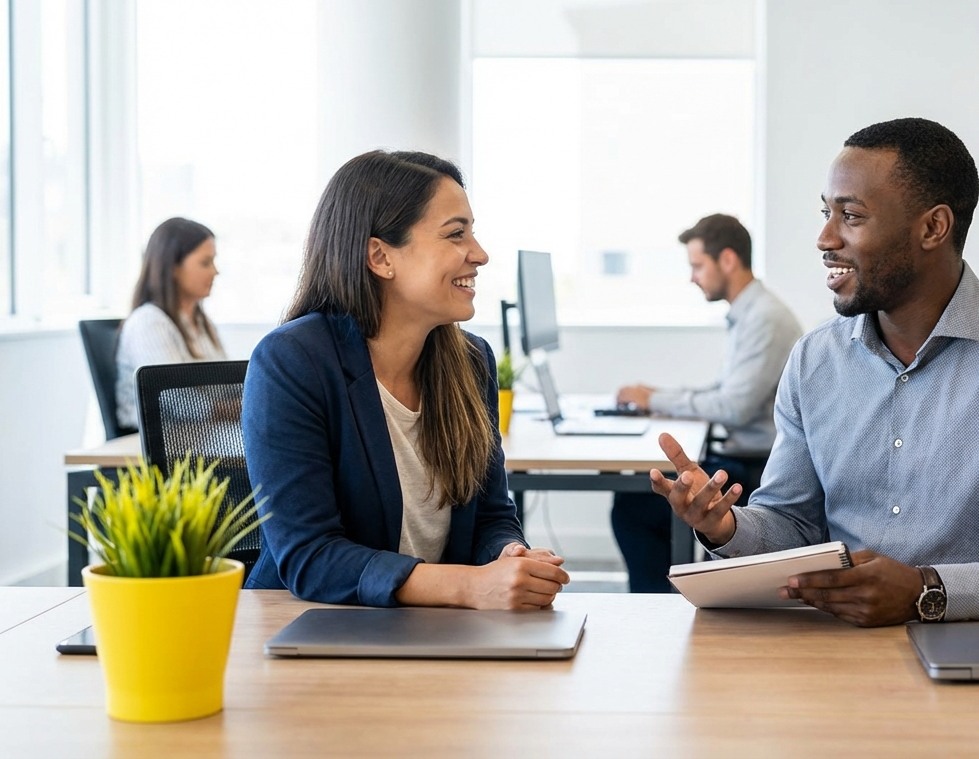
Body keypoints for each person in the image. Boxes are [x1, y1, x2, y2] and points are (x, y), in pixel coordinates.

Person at [651, 118, 979, 625]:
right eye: (826, 212)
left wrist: (929, 591)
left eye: (852, 216)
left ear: (933, 228)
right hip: (843, 654)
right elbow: (791, 524)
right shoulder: (813, 360)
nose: (825, 238)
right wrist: (727, 527)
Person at [242, 150, 569, 609]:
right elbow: (311, 556)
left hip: (430, 629)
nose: (479, 254)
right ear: (380, 256)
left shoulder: (471, 362)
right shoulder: (293, 361)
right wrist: (470, 587)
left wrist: (508, 556)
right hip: (310, 627)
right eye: (456, 234)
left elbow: (491, 516)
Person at [611, 214, 802, 593]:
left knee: (633, 507)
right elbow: (722, 389)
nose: (692, 277)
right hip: (742, 453)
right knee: (639, 494)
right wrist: (658, 397)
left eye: (697, 266)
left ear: (727, 260)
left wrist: (656, 399)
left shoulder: (765, 318)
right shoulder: (747, 314)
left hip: (756, 467)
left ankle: (659, 610)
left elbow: (733, 407)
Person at [114, 217, 228, 431]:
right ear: (173, 267)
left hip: (200, 438)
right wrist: (236, 408)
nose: (215, 271)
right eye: (205, 263)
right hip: (157, 446)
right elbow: (175, 401)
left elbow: (223, 387)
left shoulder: (202, 323)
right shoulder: (149, 323)